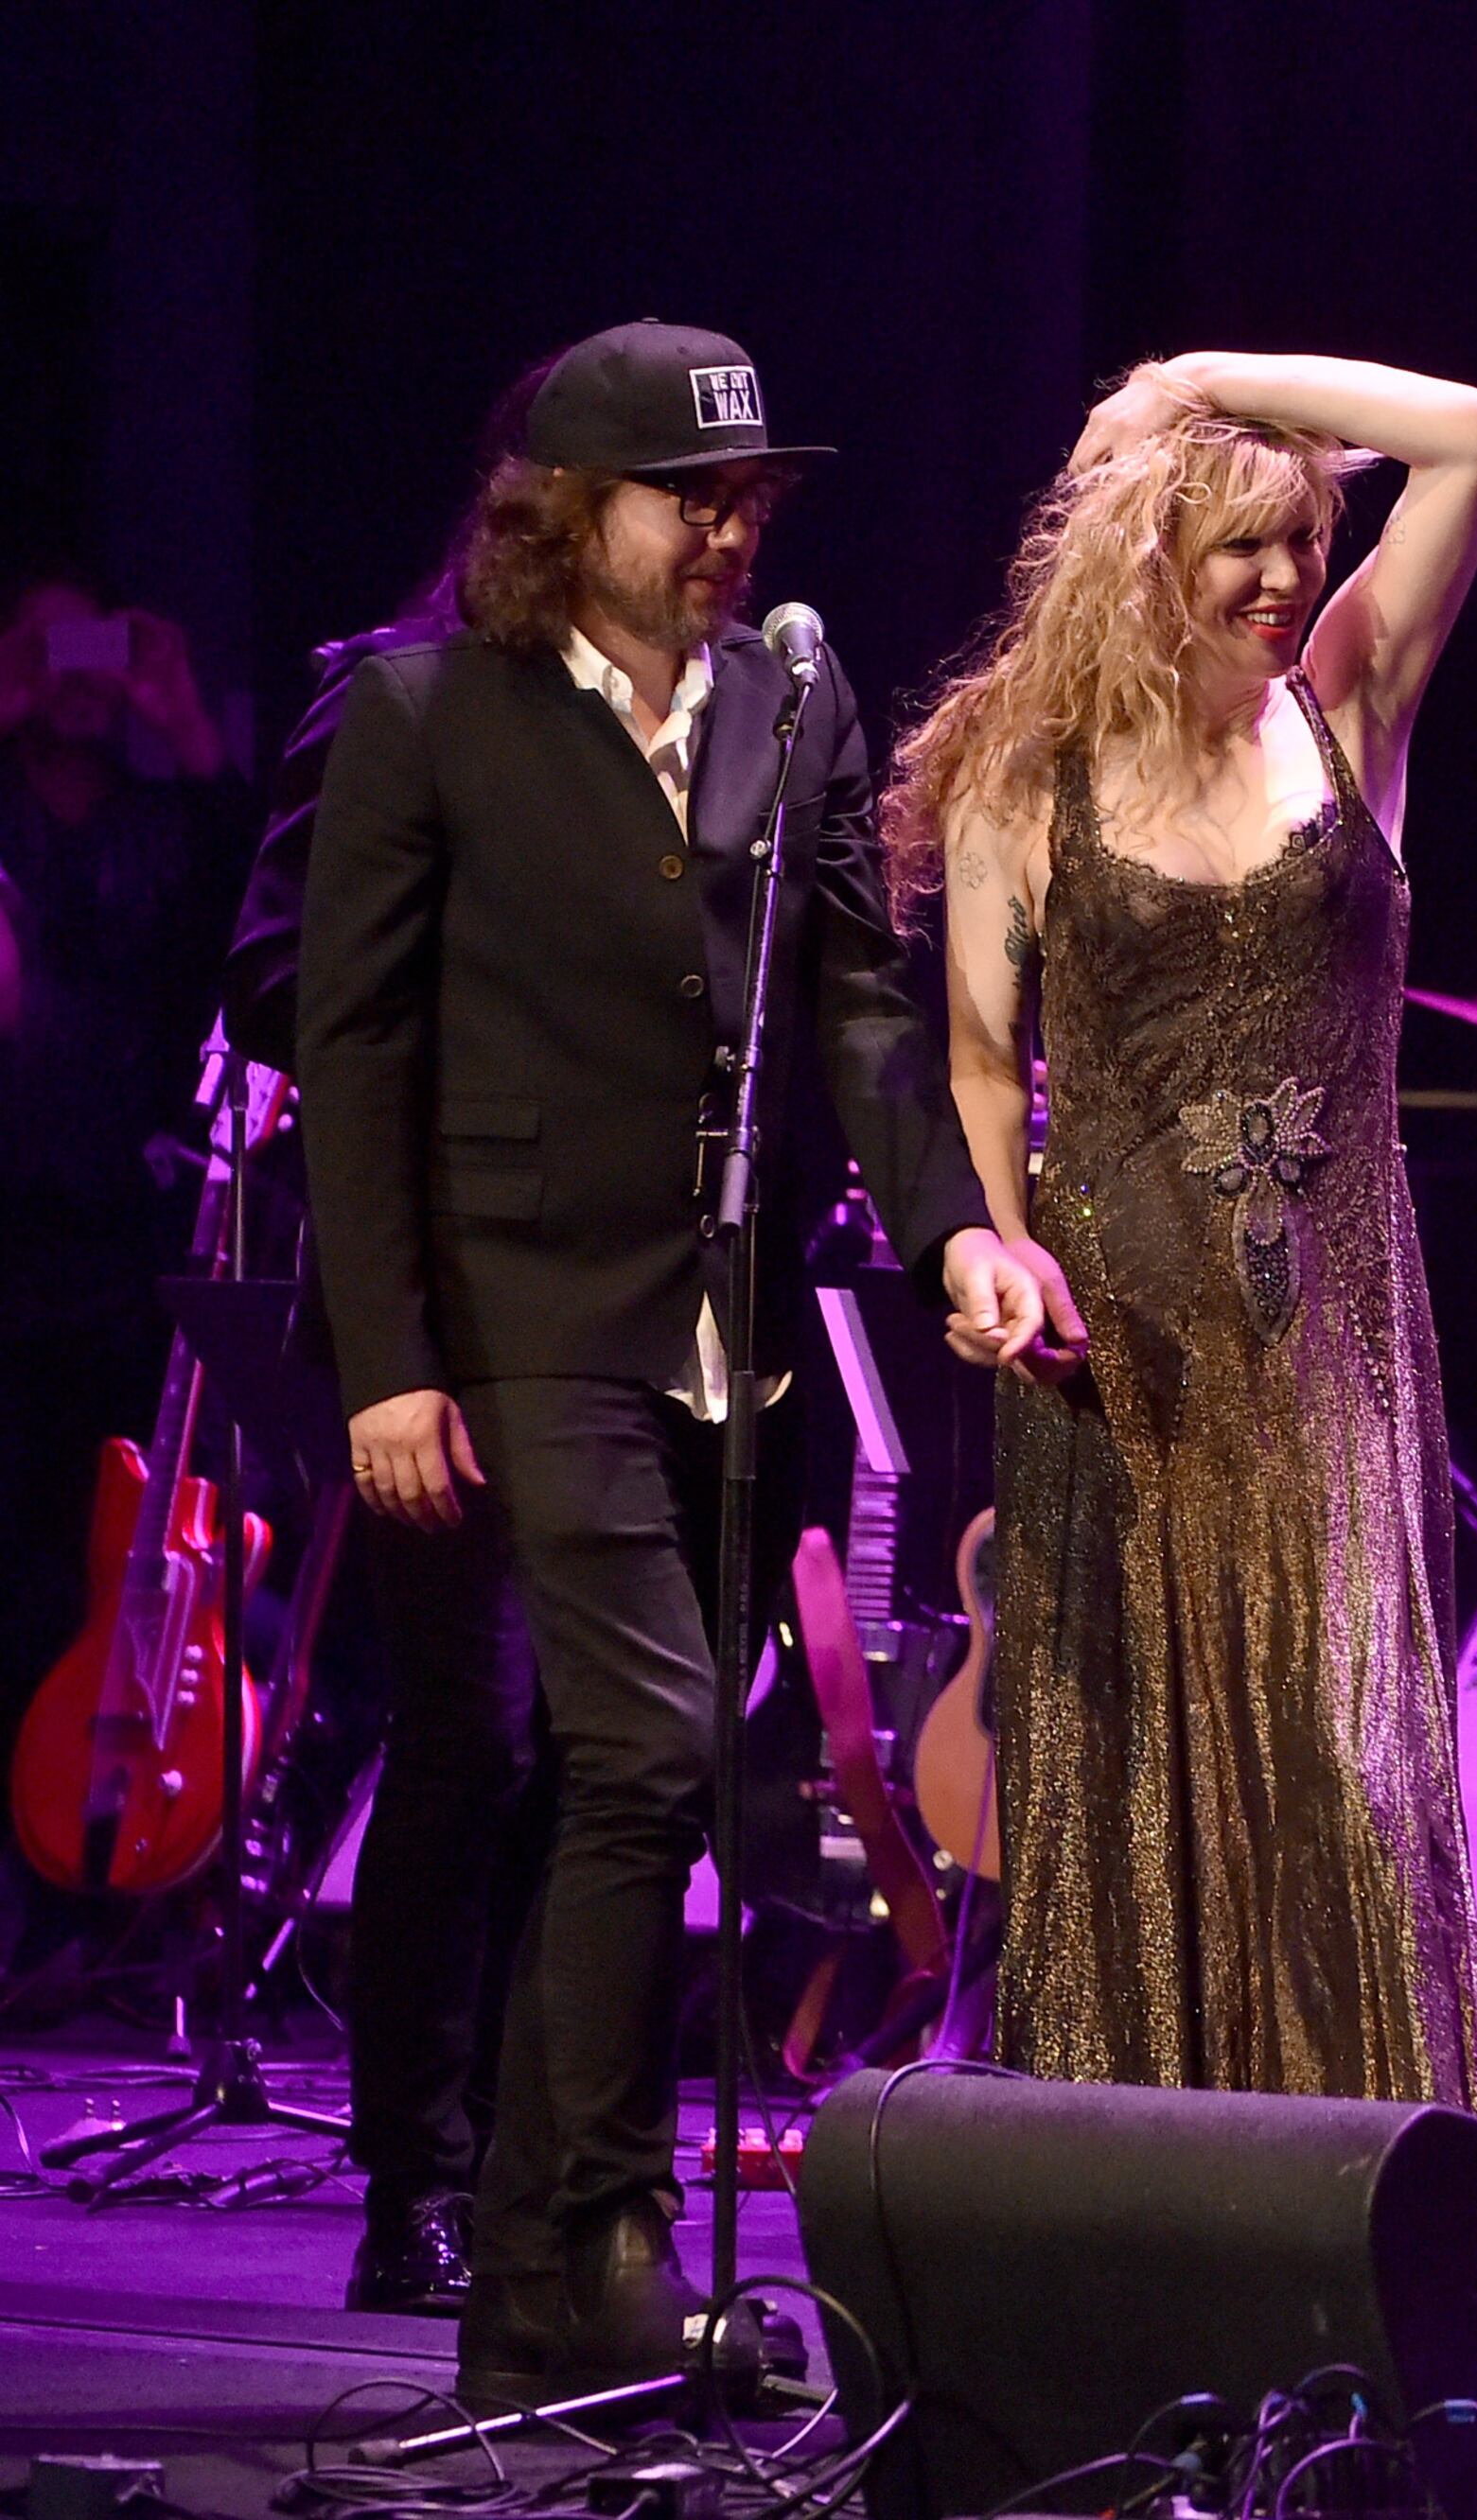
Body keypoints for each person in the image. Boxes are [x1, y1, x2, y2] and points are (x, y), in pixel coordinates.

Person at [296, 321, 1066, 2404]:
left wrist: (958, 1230)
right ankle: (597, 2247)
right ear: (562, 512)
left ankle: (542, 2291)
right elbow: (350, 1055)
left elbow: (862, 1014)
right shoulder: (422, 712)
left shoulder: (782, 704)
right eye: (692, 498)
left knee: (637, 1787)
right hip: (520, 1311)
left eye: (750, 501)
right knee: (637, 1756)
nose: (733, 532)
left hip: (730, 1338)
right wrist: (388, 1361)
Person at [889, 351, 1477, 2106]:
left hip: (1330, 1344)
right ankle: (1148, 2235)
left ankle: (1368, 2210)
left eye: (1301, 538)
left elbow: (1470, 431)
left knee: (1344, 1769)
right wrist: (1001, 1255)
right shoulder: (1032, 773)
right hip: (1121, 1351)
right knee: (1135, 1798)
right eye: (1233, 544)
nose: (1281, 580)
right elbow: (980, 1064)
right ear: (1138, 560)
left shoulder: (1351, 705)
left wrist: (1190, 380)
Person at [224, 356, 564, 2319]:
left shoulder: (678, 728)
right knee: (474, 1729)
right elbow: (279, 977)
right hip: (439, 1285)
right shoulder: (392, 691)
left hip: (615, 1295)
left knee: (618, 1753)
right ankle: (410, 2188)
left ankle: (537, 2163)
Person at [0, 580, 246, 1732]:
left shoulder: (167, 822)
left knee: (110, 1535)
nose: (80, 676)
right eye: (53, 649)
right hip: (13, 1221)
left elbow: (263, 912)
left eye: (99, 645)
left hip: (125, 1238)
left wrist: (183, 717)